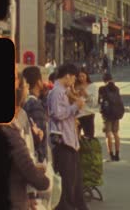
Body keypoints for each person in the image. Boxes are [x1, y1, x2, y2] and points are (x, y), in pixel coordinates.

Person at [0, 70, 50, 210]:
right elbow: (27, 167)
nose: (26, 89)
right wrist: (44, 181)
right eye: (24, 86)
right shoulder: (6, 129)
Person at [47, 63, 88, 210]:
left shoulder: (64, 91)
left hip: (70, 140)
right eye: (73, 77)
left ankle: (77, 205)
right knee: (67, 181)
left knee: (75, 180)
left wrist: (76, 105)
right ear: (67, 76)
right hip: (63, 142)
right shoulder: (57, 92)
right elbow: (58, 114)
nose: (74, 81)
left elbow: (67, 114)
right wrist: (75, 106)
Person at [22, 66, 48, 163]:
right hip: (37, 158)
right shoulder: (35, 104)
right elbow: (40, 136)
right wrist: (41, 159)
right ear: (38, 82)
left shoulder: (28, 102)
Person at [98, 73, 123, 161]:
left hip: (107, 114)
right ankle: (117, 154)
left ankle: (111, 154)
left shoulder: (102, 89)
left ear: (104, 80)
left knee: (108, 134)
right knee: (115, 133)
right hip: (116, 114)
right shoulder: (116, 88)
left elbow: (99, 101)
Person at [75, 69, 98, 138]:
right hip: (77, 115)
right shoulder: (75, 86)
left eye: (83, 76)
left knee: (89, 136)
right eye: (79, 76)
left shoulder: (92, 86)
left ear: (87, 76)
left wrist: (85, 94)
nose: (81, 78)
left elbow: (94, 103)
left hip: (88, 114)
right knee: (75, 137)